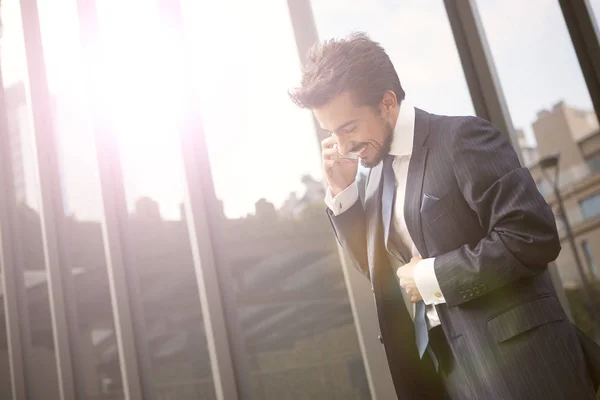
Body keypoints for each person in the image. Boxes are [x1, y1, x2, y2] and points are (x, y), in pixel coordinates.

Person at [289, 32, 600, 399]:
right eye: (331, 134)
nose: (342, 147)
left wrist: (430, 276)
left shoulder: (461, 138)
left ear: (387, 104)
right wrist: (343, 196)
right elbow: (379, 272)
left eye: (349, 128)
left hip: (527, 370)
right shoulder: (373, 178)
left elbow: (532, 236)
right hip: (456, 378)